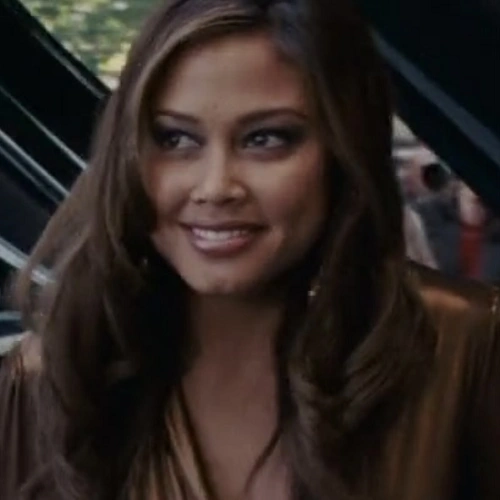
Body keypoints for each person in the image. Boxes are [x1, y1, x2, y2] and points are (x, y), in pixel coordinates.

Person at [1, 1, 499, 499]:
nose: (216, 187)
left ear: (343, 150)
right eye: (175, 138)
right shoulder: (48, 380)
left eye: (265, 139)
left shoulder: (466, 349)